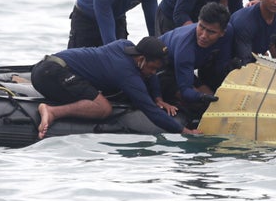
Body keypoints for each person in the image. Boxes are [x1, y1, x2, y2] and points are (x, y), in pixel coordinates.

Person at [31, 37, 201, 138]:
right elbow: (150, 111)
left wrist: (158, 98)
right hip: (51, 74)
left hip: (45, 67)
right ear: (141, 59)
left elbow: (152, 77)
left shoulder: (124, 46)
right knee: (103, 108)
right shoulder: (126, 73)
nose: (153, 73)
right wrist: (184, 131)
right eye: (152, 68)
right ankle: (52, 111)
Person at [159, 2, 234, 114]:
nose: (203, 35)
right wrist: (201, 97)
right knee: (202, 105)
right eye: (201, 27)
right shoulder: (185, 47)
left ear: (222, 33)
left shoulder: (229, 32)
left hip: (184, 68)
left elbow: (221, 66)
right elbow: (185, 91)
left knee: (215, 99)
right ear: (197, 21)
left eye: (211, 32)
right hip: (163, 68)